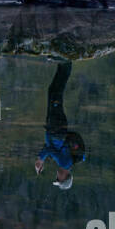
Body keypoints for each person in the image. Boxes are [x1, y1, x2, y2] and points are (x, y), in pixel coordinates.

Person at [34, 60, 87, 189]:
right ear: (66, 177)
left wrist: (43, 159)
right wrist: (40, 159)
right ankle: (66, 63)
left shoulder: (62, 162)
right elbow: (49, 149)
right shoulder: (65, 163)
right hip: (56, 128)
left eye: (57, 178)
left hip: (55, 128)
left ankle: (62, 63)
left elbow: (50, 150)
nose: (57, 176)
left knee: (53, 91)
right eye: (59, 179)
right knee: (56, 93)